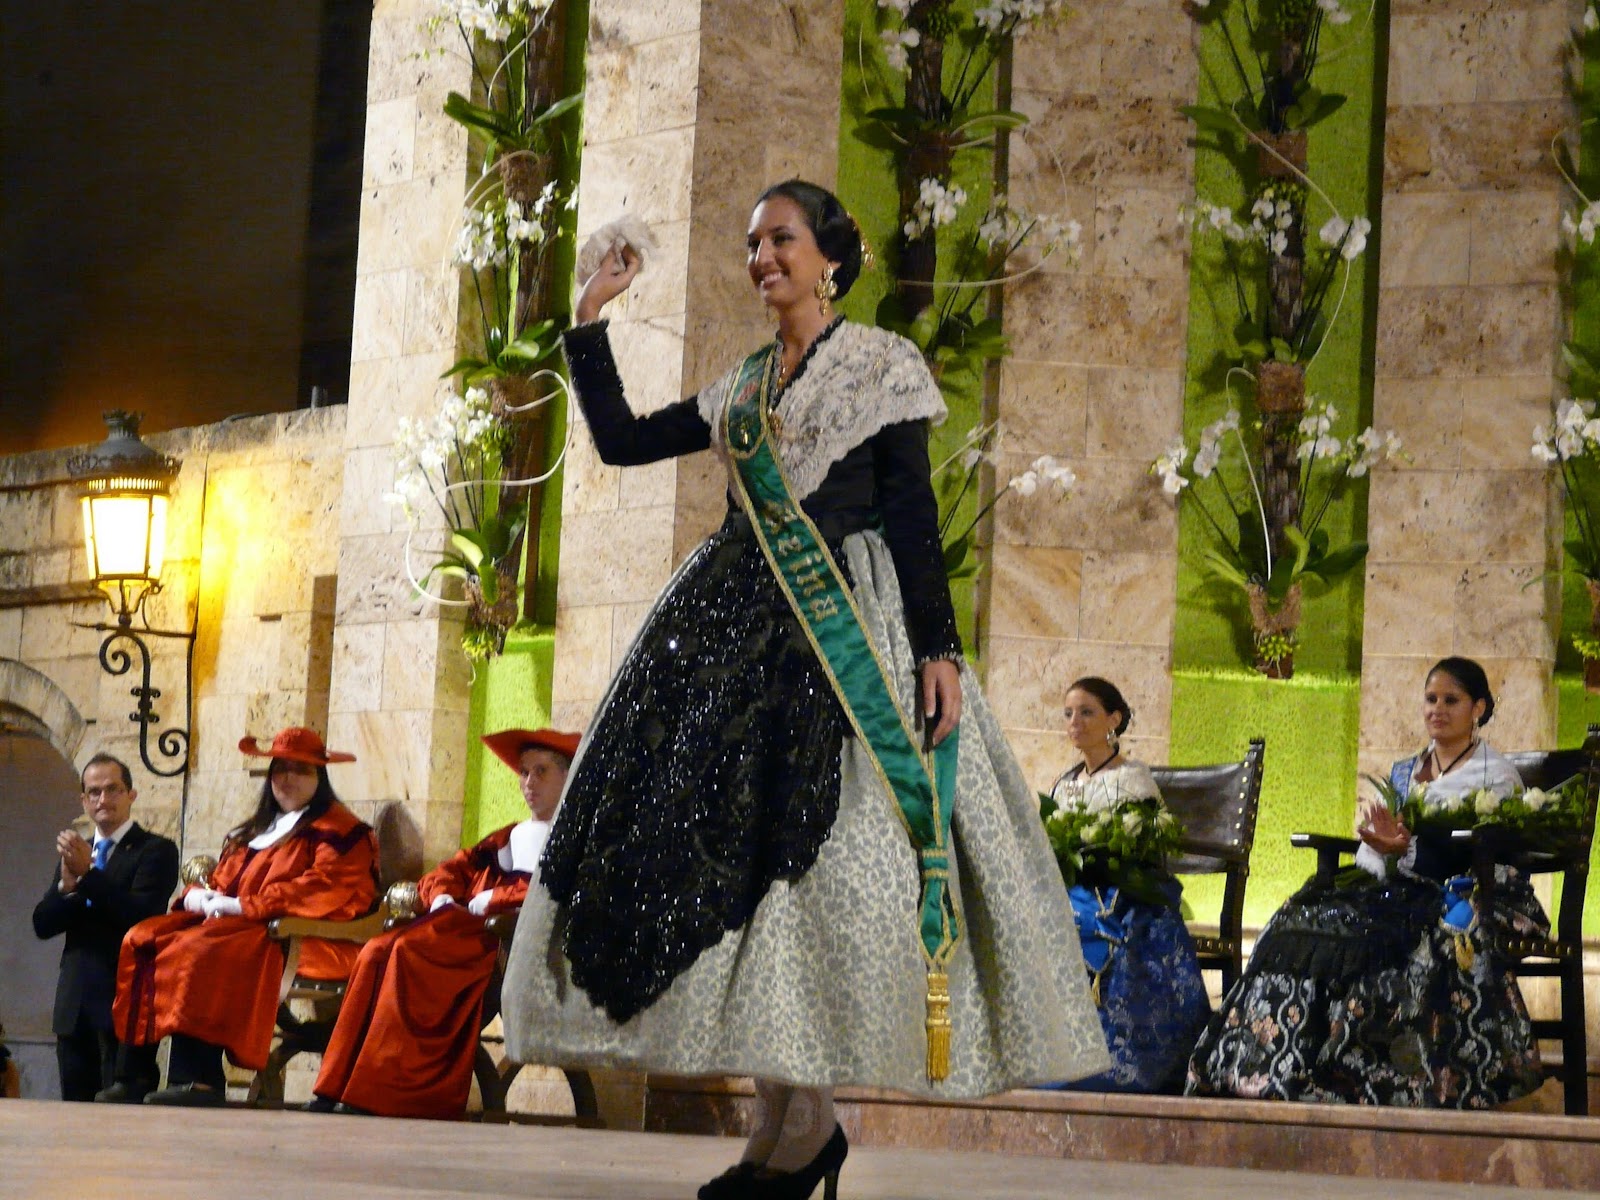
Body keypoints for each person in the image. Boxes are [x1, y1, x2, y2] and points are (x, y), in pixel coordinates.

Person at [502, 179, 1108, 1198]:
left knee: (810, 880)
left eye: (780, 239)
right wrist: (589, 317)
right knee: (740, 883)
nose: (762, 258)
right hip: (730, 634)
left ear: (830, 256)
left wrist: (937, 648)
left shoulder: (882, 366)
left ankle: (804, 1127)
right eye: (751, 244)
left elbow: (912, 514)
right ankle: (785, 1124)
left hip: (843, 637)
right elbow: (622, 440)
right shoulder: (741, 386)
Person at [1187, 656, 1545, 1107]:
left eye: (1451, 700)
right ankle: (1268, 1066)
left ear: (1479, 708)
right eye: (1431, 699)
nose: (1437, 709)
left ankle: (1361, 1077)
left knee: (1380, 938)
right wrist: (1382, 845)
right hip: (1391, 884)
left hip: (1457, 889)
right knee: (1296, 921)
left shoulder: (1495, 776)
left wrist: (1411, 850)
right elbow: (1384, 844)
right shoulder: (1404, 771)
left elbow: (1486, 849)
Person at [308, 727, 578, 1118]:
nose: (529, 782)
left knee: (405, 953)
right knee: (375, 951)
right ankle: (340, 1084)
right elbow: (452, 868)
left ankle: (383, 1092)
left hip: (503, 944)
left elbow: (559, 892)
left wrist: (496, 899)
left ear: (567, 777)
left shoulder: (577, 839)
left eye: (542, 771)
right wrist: (442, 894)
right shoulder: (508, 836)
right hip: (461, 927)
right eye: (524, 772)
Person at [110, 727, 377, 1106]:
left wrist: (244, 906)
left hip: (304, 938)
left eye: (301, 770)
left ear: (320, 776)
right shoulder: (254, 831)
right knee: (146, 937)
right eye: (280, 769)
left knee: (201, 950)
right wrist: (199, 895)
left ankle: (200, 1080)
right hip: (241, 928)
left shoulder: (342, 833)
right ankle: (134, 1075)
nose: (288, 779)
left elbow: (324, 888)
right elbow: (223, 878)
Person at [1044, 678, 1208, 1094]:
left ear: (1113, 720)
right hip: (1073, 888)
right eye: (1068, 713)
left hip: (1122, 891)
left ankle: (1118, 1052)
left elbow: (1146, 848)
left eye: (1087, 712)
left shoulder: (1132, 779)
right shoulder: (1065, 783)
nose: (1075, 722)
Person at [32, 753, 178, 1102]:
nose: (103, 799)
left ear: (131, 795)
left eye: (113, 789)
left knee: (120, 1117)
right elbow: (43, 923)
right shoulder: (78, 853)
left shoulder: (155, 850)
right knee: (75, 1114)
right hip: (74, 1004)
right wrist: (67, 887)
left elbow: (139, 916)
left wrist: (88, 875)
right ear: (83, 800)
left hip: (124, 1001)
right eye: (94, 792)